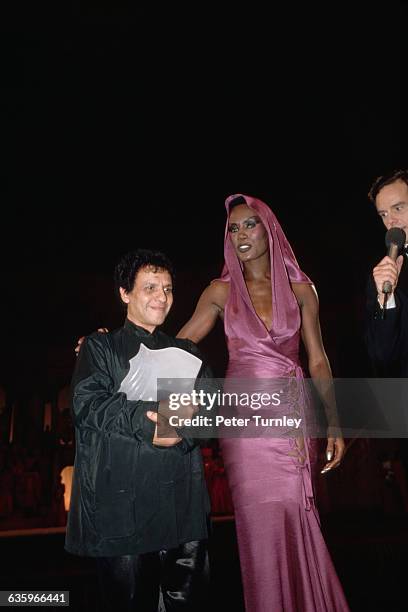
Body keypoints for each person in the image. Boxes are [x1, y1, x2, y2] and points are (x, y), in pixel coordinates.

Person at [176, 195, 348, 611]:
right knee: (258, 528)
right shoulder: (219, 291)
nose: (241, 235)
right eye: (233, 229)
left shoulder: (302, 290)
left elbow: (318, 358)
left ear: (269, 229)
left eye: (250, 225)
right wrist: (115, 343)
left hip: (292, 420)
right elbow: (179, 344)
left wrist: (336, 423)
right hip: (246, 431)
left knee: (298, 515)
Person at [66, 249, 211, 612]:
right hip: (122, 514)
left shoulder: (188, 351)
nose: (161, 297)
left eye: (167, 288)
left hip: (184, 511)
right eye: (149, 287)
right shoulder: (100, 347)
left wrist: (183, 429)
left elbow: (211, 410)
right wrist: (152, 419)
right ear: (124, 293)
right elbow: (87, 405)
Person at [366, 169, 408, 376]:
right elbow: (382, 355)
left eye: (398, 208)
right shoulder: (383, 275)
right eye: (383, 214)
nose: (390, 221)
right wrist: (386, 299)